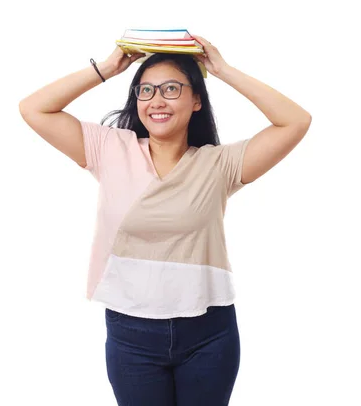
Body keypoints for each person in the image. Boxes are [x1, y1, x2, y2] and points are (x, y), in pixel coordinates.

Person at [19, 34, 312, 405]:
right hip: (131, 334)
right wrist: (108, 68)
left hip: (209, 334)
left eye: (171, 88)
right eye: (145, 91)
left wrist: (222, 70)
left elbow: (295, 121)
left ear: (195, 101)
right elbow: (34, 109)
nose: (156, 100)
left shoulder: (218, 165)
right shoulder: (110, 148)